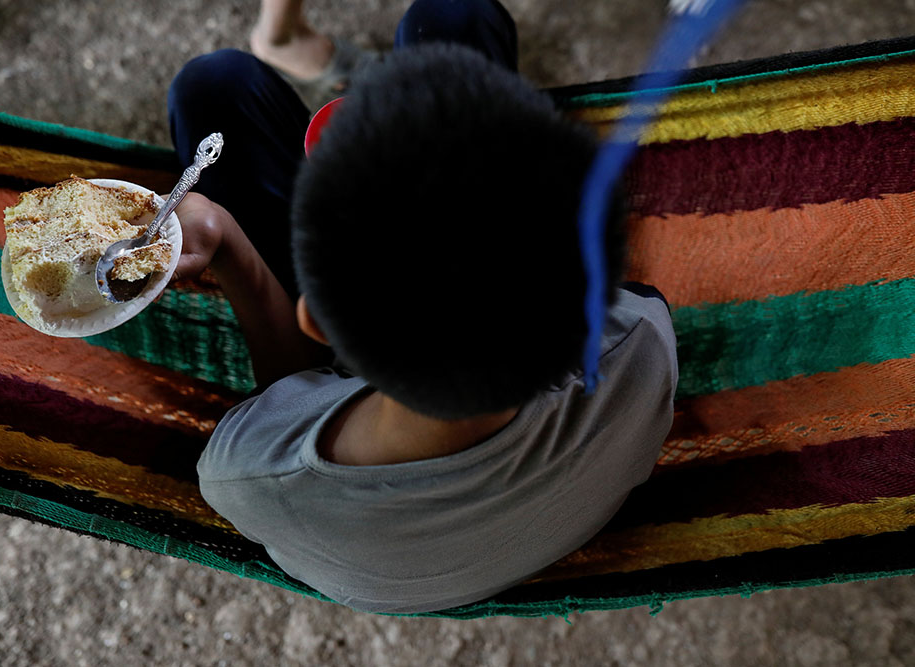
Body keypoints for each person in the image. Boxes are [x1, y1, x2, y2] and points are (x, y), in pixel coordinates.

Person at [167, 0, 678, 613]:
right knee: (454, 15)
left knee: (214, 86)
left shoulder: (248, 475)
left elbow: (294, 396)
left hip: (377, 494)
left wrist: (230, 248)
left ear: (321, 322)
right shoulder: (639, 343)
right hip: (533, 516)